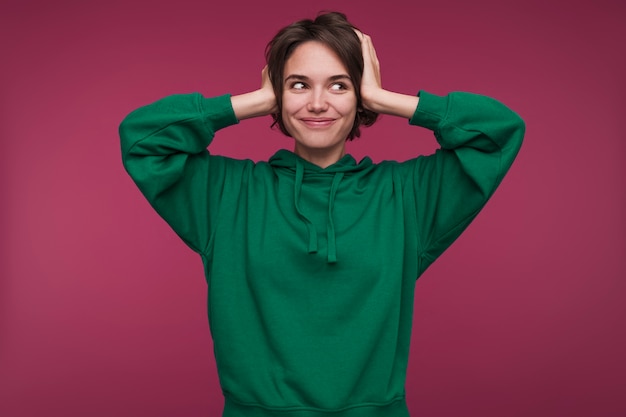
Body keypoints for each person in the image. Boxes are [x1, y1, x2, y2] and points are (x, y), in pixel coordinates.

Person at [120, 11, 524, 417]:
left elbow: (498, 133)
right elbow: (142, 139)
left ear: (360, 96)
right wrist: (254, 102)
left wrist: (385, 99)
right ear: (278, 93)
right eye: (298, 85)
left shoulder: (407, 196)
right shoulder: (226, 193)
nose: (317, 103)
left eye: (339, 85)